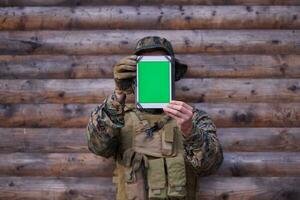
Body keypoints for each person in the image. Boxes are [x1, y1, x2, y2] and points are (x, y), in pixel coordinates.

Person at [86, 36, 223, 200]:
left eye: (160, 67)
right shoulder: (117, 116)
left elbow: (211, 166)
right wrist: (118, 94)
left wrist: (190, 130)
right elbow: (98, 147)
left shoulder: (191, 118)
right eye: (146, 68)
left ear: (172, 73)